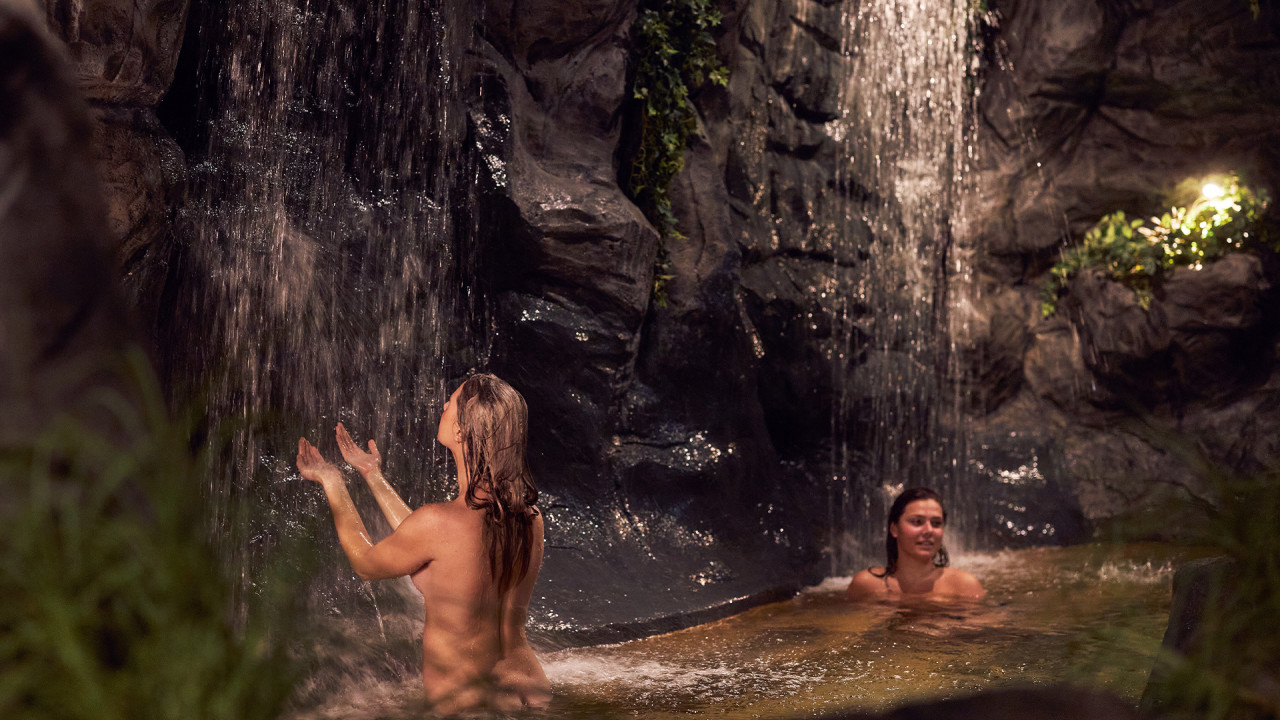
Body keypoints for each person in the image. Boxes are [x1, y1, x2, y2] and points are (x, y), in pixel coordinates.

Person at [296, 373, 552, 713]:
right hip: (531, 689)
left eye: (452, 401)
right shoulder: (529, 518)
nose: (444, 405)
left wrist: (333, 480)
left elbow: (365, 561)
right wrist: (372, 475)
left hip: (471, 703)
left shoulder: (440, 523)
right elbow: (432, 544)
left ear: (462, 431)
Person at [846, 487, 985, 602]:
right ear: (894, 528)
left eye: (936, 523)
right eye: (917, 522)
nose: (929, 530)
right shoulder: (867, 584)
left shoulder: (964, 586)